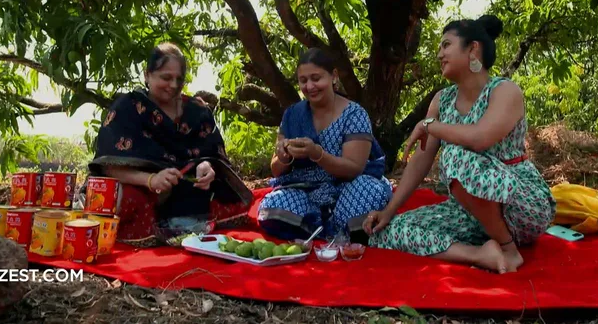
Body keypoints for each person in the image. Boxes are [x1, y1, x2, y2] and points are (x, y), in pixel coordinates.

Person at [363, 15, 556, 274]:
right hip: (470, 212)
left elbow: (479, 138)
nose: (439, 54)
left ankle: (508, 248)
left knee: (455, 155)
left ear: (472, 48)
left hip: (519, 205)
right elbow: (421, 160)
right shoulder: (441, 100)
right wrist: (389, 210)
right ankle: (479, 254)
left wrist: (427, 125)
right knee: (388, 232)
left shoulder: (504, 91)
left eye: (446, 45)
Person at [87, 42, 253, 247]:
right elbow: (108, 167)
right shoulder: (127, 108)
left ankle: (182, 223)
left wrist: (207, 168)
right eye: (166, 77)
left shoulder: (197, 110)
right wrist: (151, 180)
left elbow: (213, 156)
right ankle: (157, 226)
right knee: (118, 197)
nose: (173, 85)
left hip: (189, 189)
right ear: (147, 75)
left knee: (233, 200)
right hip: (146, 190)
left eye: (179, 79)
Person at [257, 48, 392, 240]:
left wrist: (317, 154)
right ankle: (327, 229)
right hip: (305, 189)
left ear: (333, 77)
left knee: (367, 194)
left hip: (348, 186)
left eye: (316, 78)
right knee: (273, 208)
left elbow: (354, 168)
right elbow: (276, 170)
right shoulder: (293, 115)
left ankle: (331, 228)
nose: (310, 86)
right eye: (303, 81)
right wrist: (284, 156)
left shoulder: (354, 114)